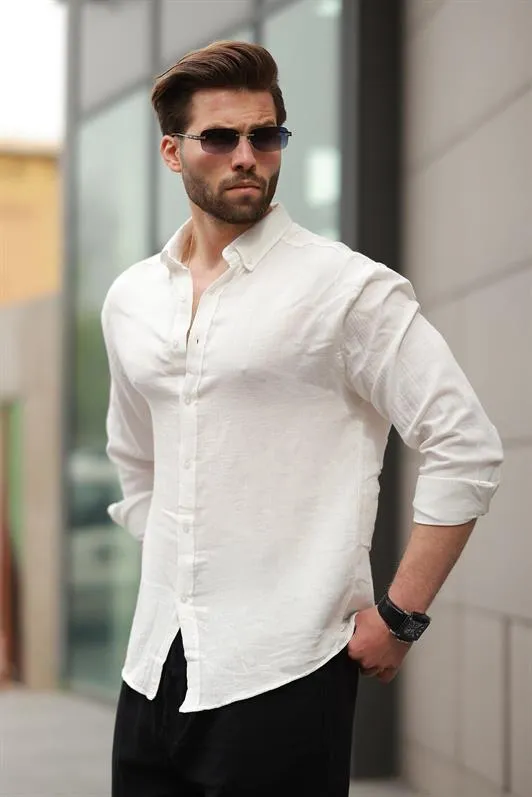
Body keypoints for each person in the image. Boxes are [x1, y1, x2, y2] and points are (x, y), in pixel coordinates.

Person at [102, 41, 503, 797]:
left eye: (265, 136)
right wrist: (190, 559)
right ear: (172, 151)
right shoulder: (131, 299)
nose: (246, 156)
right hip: (153, 667)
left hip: (286, 673)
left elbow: (466, 445)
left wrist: (401, 615)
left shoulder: (346, 288)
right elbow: (135, 458)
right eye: (220, 137)